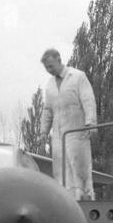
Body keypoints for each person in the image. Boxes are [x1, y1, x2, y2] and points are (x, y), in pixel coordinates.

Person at [39, 48, 97, 200]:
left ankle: (85, 197)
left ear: (59, 60)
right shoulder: (50, 85)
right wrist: (44, 131)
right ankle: (64, 200)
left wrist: (91, 123)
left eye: (51, 66)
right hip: (58, 134)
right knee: (60, 168)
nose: (49, 70)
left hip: (77, 130)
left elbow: (88, 100)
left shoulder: (78, 77)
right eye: (46, 68)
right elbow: (47, 110)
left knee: (79, 166)